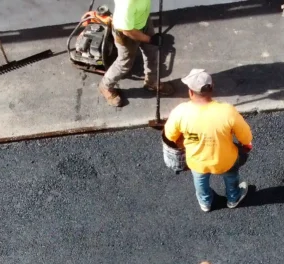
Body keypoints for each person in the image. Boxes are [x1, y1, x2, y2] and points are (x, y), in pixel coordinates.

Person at [163, 69, 253, 212]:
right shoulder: (227, 111)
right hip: (224, 159)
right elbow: (246, 137)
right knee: (231, 177)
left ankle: (205, 203)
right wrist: (246, 146)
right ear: (212, 88)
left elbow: (170, 136)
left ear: (191, 92)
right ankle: (233, 198)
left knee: (200, 181)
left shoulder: (180, 112)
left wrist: (192, 136)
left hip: (197, 161)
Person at [98, 0, 174, 107]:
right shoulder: (126, 4)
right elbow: (128, 31)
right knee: (124, 63)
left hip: (143, 20)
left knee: (152, 53)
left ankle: (151, 82)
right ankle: (105, 86)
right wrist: (150, 39)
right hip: (126, 33)